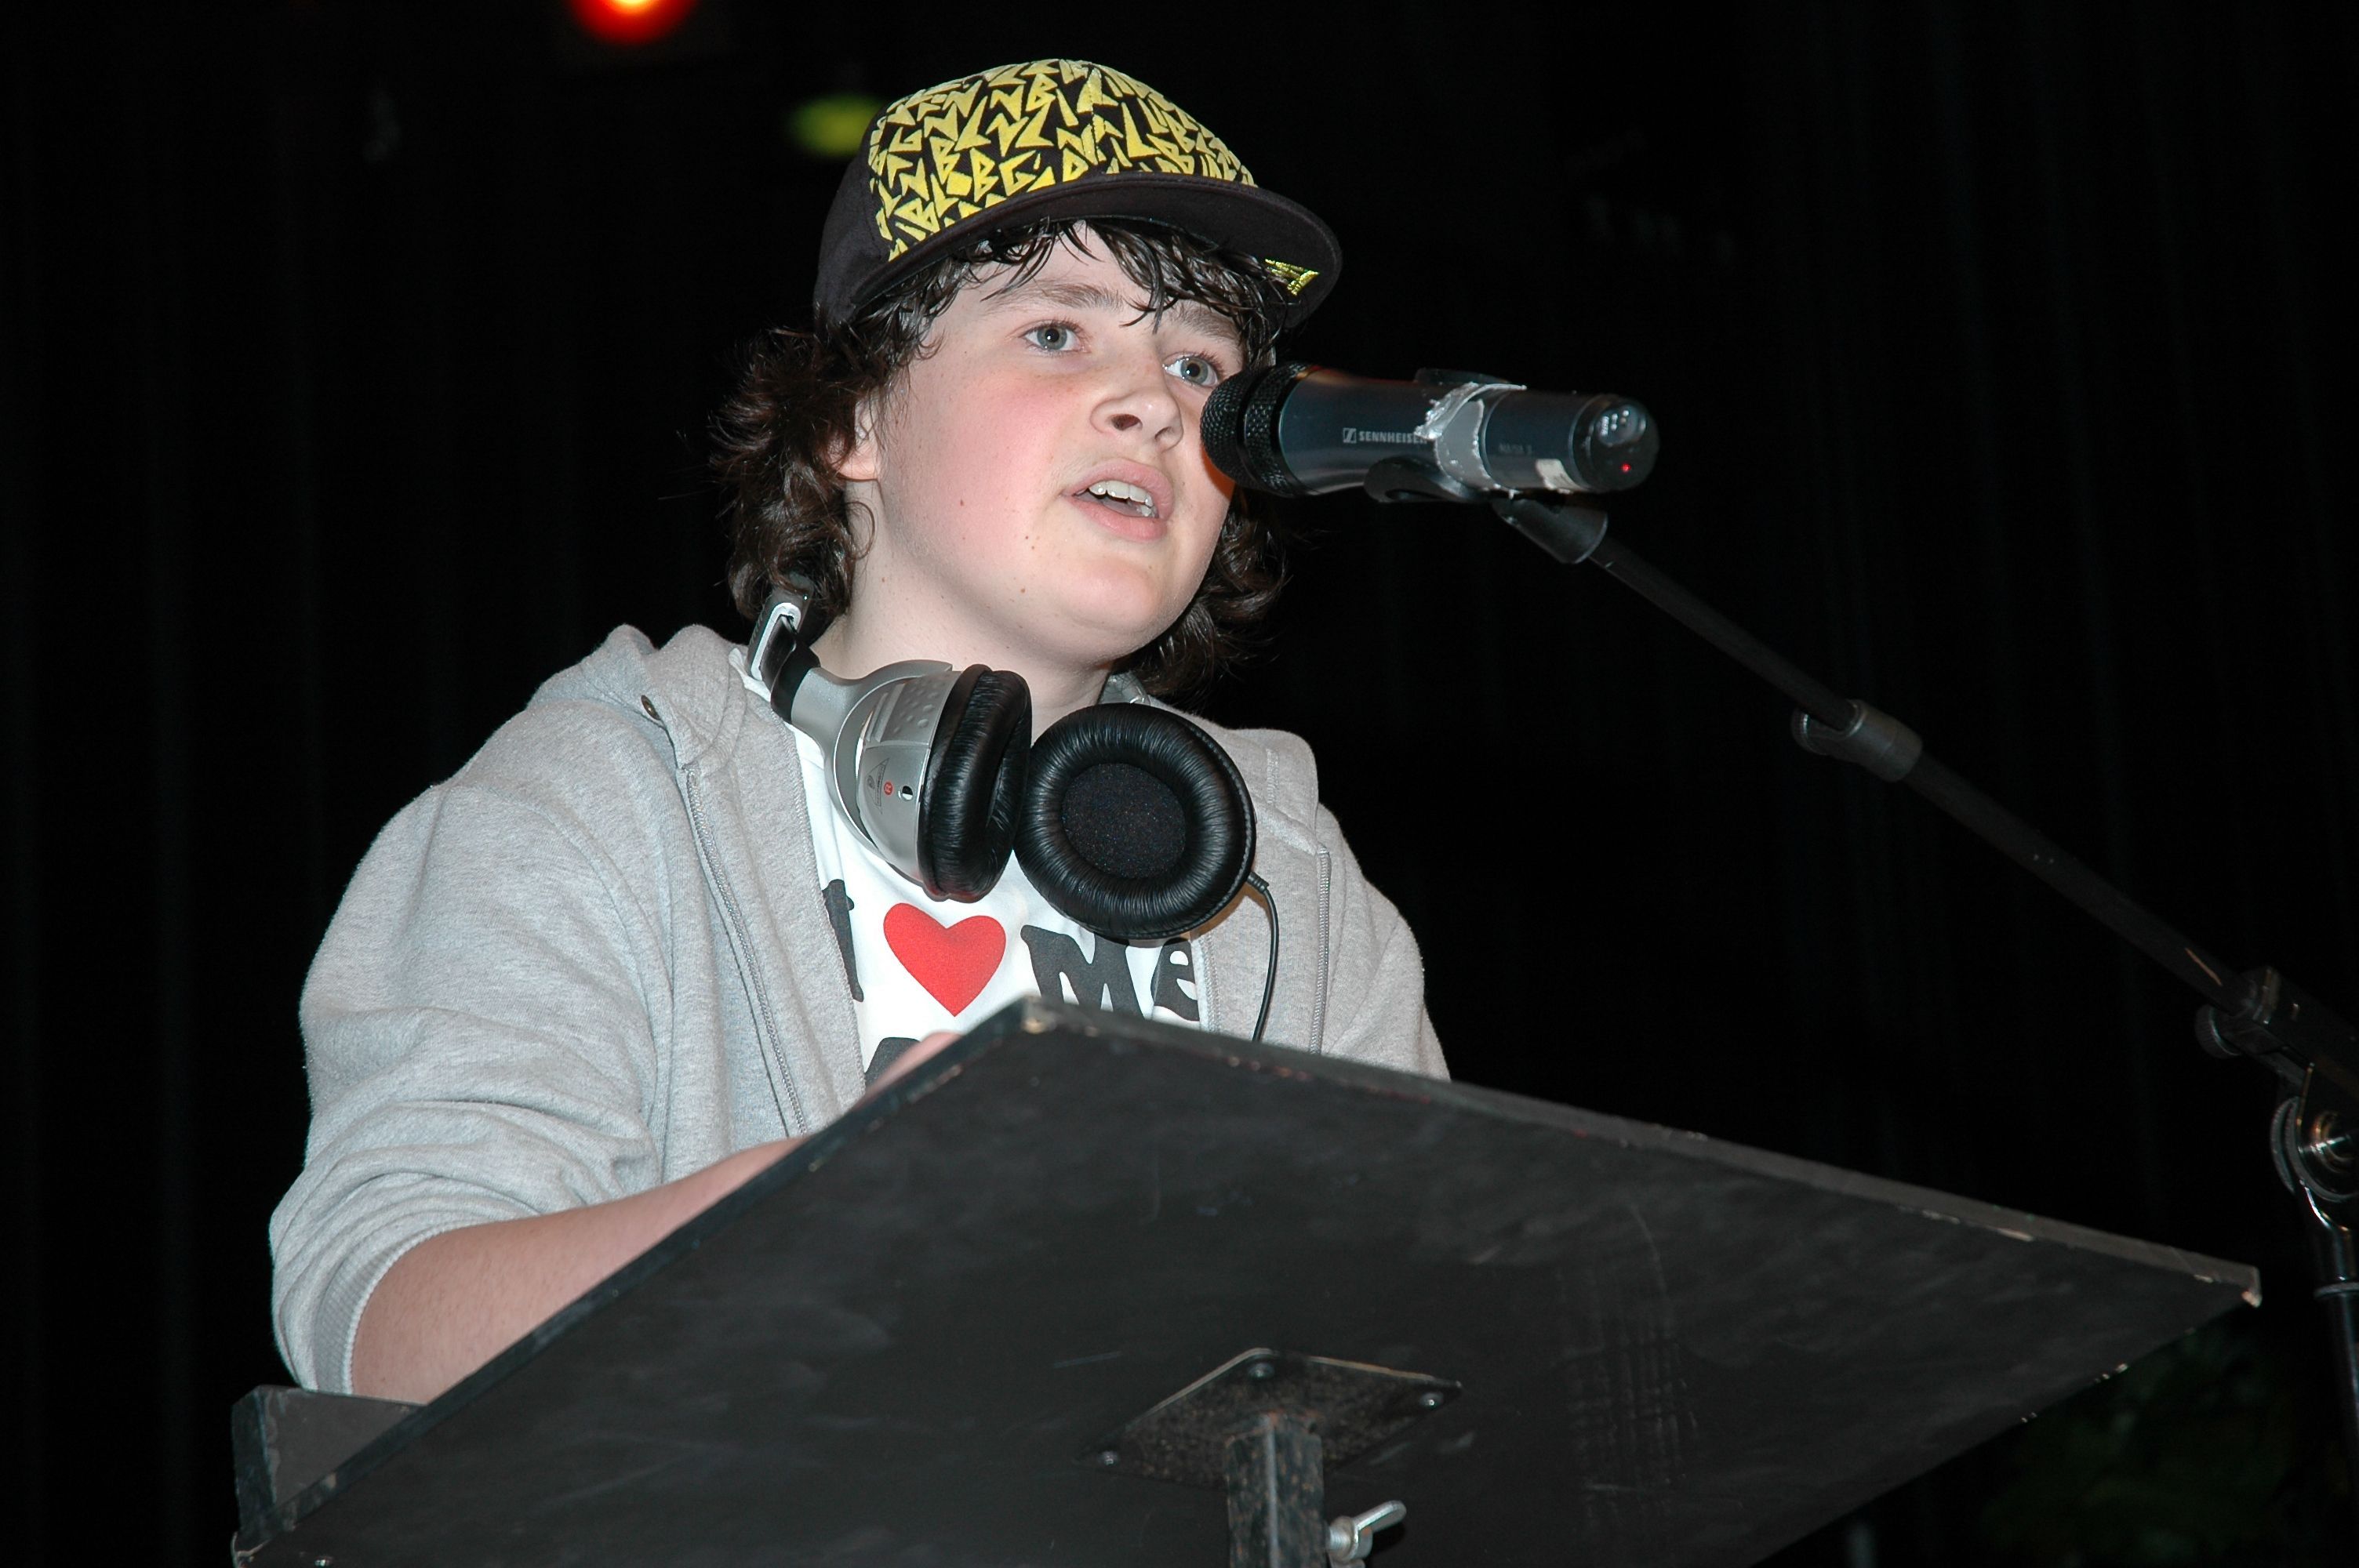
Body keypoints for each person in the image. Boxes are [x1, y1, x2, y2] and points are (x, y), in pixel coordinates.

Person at [269, 58, 1447, 1406]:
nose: (1158, 406)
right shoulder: (604, 795)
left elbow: (1433, 1345)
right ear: (850, 422)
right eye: (1057, 334)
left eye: (1199, 366)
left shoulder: (1288, 875)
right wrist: (822, 1204)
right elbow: (380, 1315)